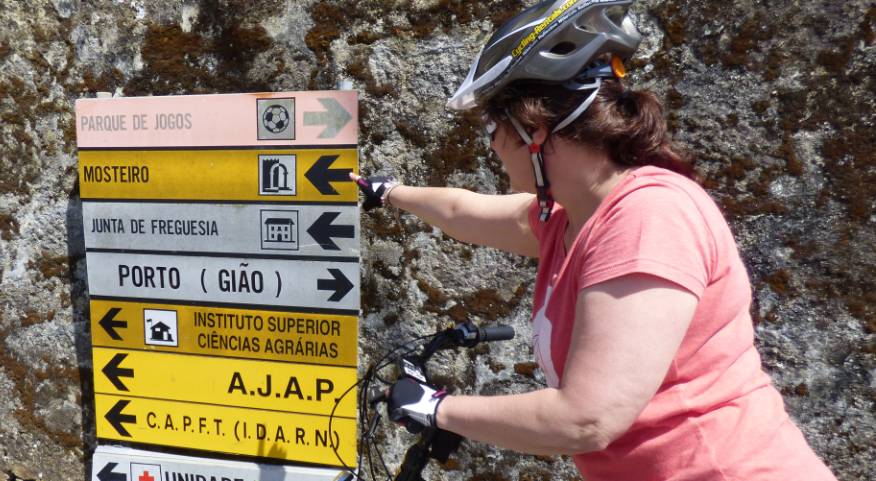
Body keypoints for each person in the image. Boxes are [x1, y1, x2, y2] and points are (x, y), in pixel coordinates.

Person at [352, 1, 839, 480]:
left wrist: (437, 408)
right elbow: (466, 212)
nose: (492, 146)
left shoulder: (649, 217)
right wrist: (389, 192)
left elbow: (586, 418)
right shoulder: (574, 217)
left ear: (533, 129)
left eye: (491, 127)